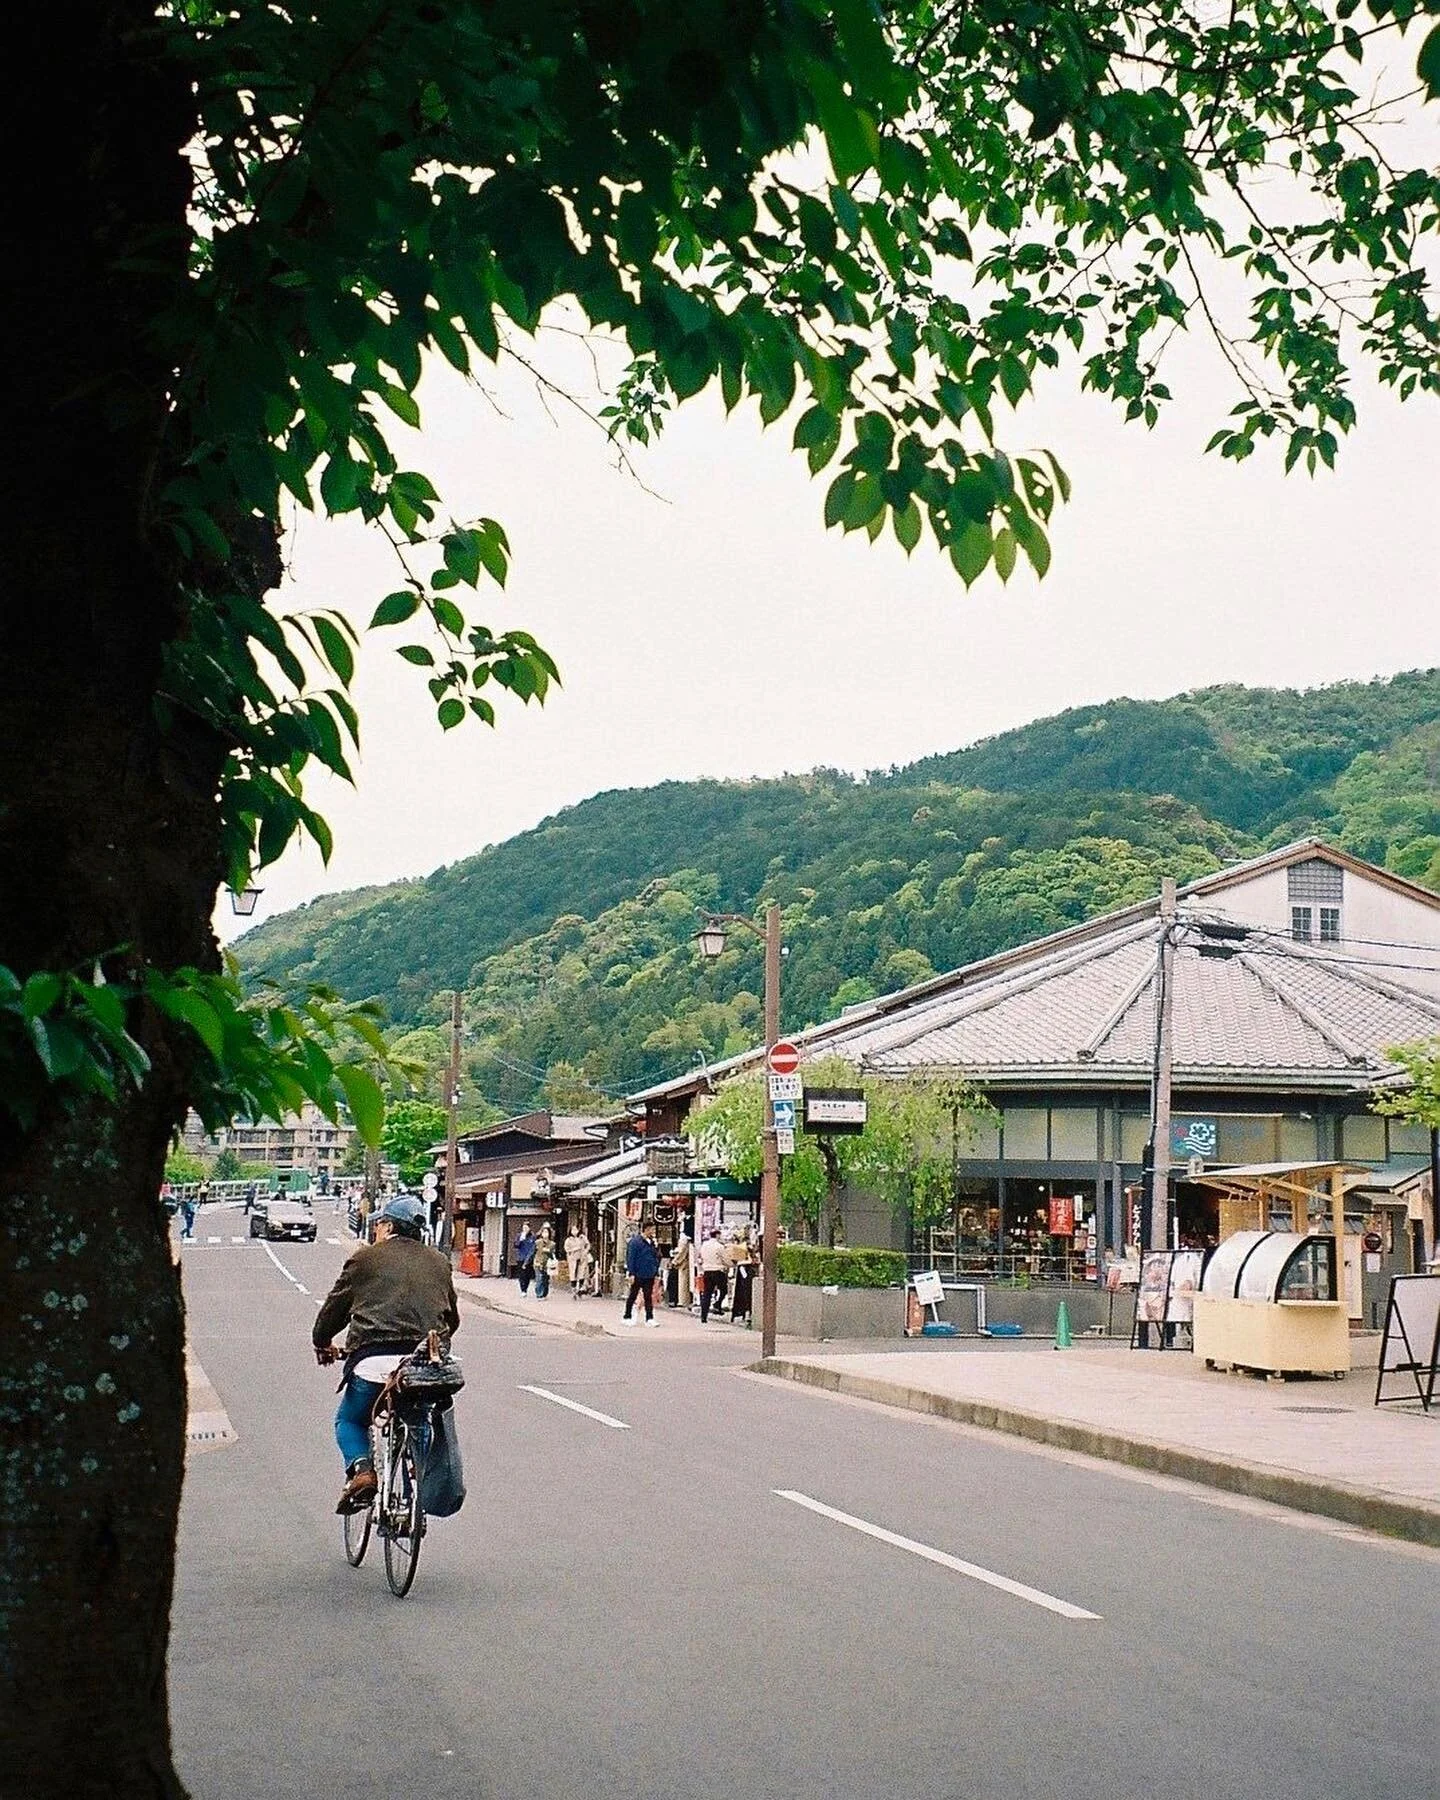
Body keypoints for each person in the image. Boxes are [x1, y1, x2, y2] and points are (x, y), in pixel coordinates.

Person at [312, 1194, 460, 1514]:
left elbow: (334, 1311)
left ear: (389, 1226)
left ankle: (363, 1471)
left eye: (379, 1223)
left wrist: (322, 1342)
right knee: (418, 1420)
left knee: (350, 1420)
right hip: (421, 1366)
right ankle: (416, 1481)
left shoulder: (365, 1259)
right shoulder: (439, 1262)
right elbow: (452, 1320)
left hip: (372, 1361)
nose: (376, 1229)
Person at [622, 1221, 662, 1327]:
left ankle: (649, 1318)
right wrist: (631, 1273)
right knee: (633, 1295)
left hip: (649, 1273)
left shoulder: (652, 1243)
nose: (653, 1232)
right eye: (652, 1229)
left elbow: (656, 1257)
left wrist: (655, 1270)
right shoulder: (635, 1242)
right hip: (638, 1273)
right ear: (646, 1229)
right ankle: (627, 1316)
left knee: (648, 1296)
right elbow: (631, 1258)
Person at [698, 1228, 730, 1323]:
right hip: (718, 1271)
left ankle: (704, 1316)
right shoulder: (719, 1246)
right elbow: (725, 1259)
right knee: (724, 1290)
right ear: (717, 1235)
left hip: (707, 1271)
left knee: (707, 1293)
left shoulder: (704, 1245)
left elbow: (701, 1257)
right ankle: (718, 1303)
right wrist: (732, 1264)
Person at [728, 1227, 756, 1324]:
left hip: (742, 1267)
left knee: (742, 1290)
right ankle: (746, 1312)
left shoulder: (740, 1246)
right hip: (746, 1268)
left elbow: (734, 1260)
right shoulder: (747, 1246)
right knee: (746, 1290)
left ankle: (742, 1312)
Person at [564, 1225, 593, 1301]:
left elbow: (588, 1245)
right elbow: (566, 1249)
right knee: (573, 1274)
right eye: (573, 1230)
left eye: (576, 1229)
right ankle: (573, 1290)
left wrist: (585, 1251)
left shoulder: (582, 1237)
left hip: (582, 1258)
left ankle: (579, 1289)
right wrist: (574, 1249)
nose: (574, 1231)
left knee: (581, 1273)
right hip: (573, 1258)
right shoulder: (568, 1240)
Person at [668, 1227, 694, 1309]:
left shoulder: (683, 1239)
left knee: (682, 1282)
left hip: (682, 1264)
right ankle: (682, 1300)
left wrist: (674, 1261)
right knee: (682, 1282)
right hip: (683, 1263)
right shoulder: (685, 1239)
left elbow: (681, 1252)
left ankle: (682, 1300)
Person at [533, 1226, 555, 1299]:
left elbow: (553, 1255)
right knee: (539, 1279)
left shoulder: (552, 1244)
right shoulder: (537, 1242)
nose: (545, 1234)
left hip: (547, 1264)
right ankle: (539, 1294)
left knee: (545, 1280)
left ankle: (544, 1293)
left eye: (546, 1232)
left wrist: (548, 1252)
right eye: (543, 1232)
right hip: (538, 1262)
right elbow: (533, 1252)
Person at [514, 1225, 537, 1295]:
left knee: (527, 1275)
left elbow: (533, 1247)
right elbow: (516, 1245)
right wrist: (520, 1239)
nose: (525, 1229)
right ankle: (523, 1289)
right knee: (522, 1274)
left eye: (526, 1228)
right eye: (524, 1228)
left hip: (529, 1258)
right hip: (521, 1257)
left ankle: (526, 1287)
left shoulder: (532, 1237)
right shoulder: (519, 1236)